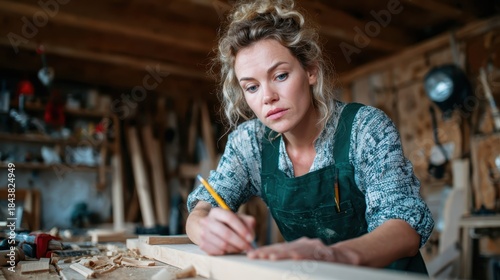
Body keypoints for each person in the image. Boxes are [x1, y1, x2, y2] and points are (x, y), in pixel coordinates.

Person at [185, 0, 434, 274]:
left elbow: (405, 227)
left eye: (280, 75)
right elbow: (204, 206)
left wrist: (330, 256)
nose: (268, 97)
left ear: (311, 71)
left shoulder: (364, 128)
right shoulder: (250, 143)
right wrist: (201, 225)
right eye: (252, 87)